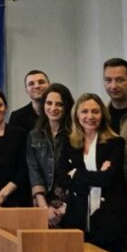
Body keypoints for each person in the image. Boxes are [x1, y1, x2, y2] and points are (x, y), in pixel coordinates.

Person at [56, 93, 127, 252]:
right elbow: (61, 177)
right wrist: (96, 176)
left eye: (95, 111)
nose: (90, 116)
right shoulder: (70, 142)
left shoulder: (115, 142)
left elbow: (108, 179)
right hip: (77, 215)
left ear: (103, 115)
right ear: (76, 115)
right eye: (84, 111)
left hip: (109, 218)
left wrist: (75, 173)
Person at [27, 83, 75, 227]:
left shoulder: (75, 135)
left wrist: (64, 208)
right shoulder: (34, 135)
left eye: (59, 104)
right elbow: (34, 171)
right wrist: (44, 207)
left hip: (70, 204)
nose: (53, 108)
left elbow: (78, 173)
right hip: (42, 204)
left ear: (67, 107)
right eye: (49, 103)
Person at [102, 58, 127, 170]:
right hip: (108, 179)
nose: (113, 86)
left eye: (120, 80)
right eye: (108, 80)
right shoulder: (100, 115)